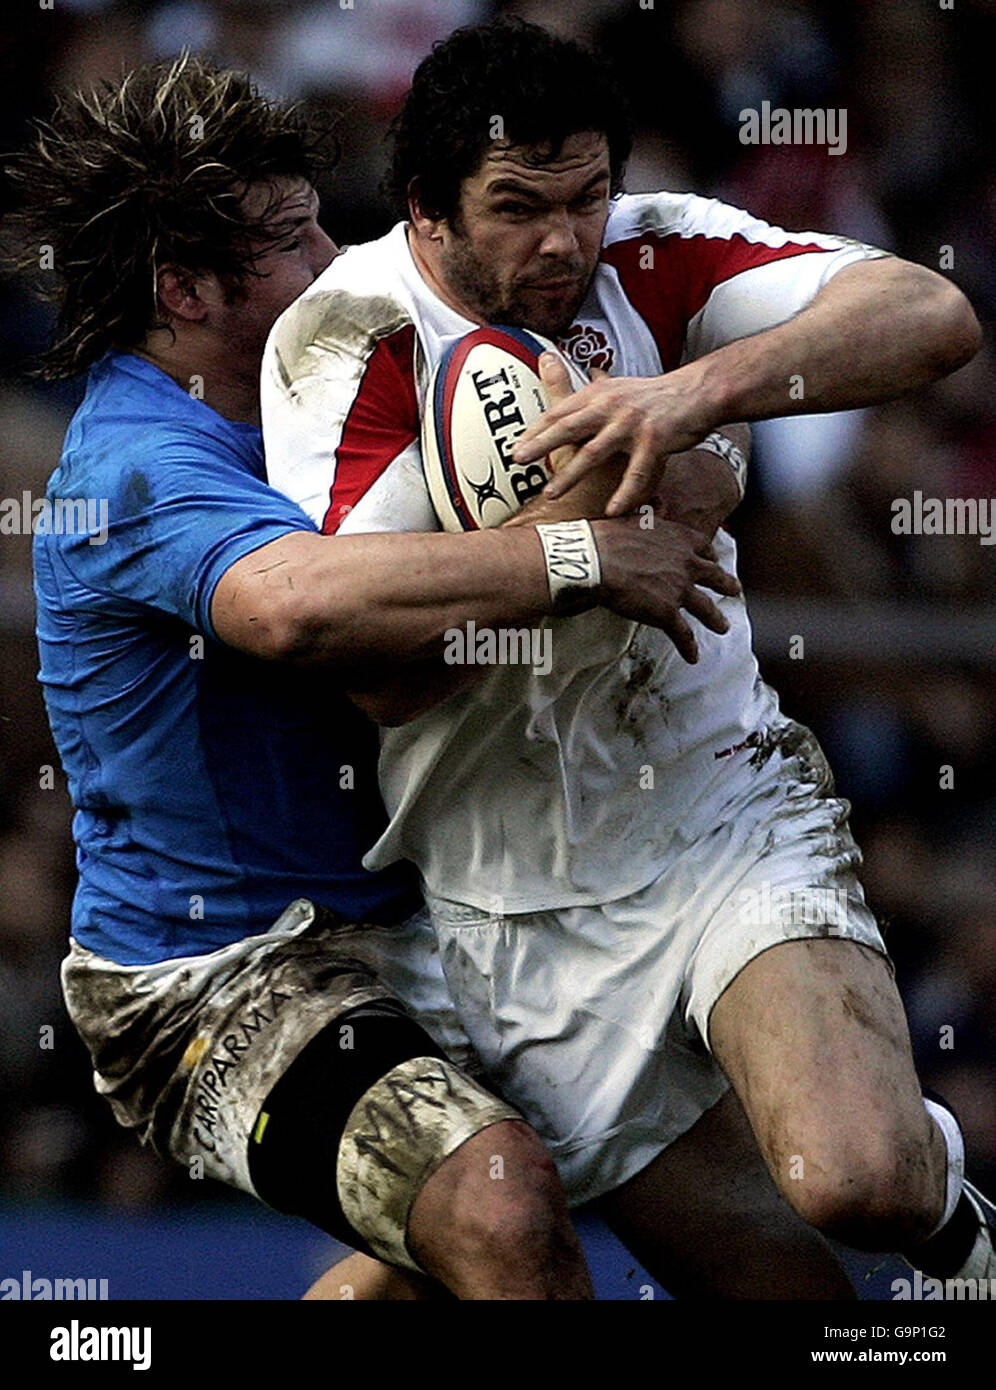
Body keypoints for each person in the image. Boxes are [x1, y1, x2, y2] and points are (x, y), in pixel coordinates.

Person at [262, 18, 994, 1296]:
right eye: (518, 209)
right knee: (786, 1298)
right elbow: (381, 673)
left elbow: (929, 311)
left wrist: (696, 395)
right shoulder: (344, 344)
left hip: (720, 805)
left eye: (586, 195)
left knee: (856, 1181)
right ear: (428, 208)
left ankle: (956, 1229)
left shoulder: (655, 250)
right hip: (505, 900)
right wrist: (587, 550)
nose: (565, 240)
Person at [14, 53, 751, 1301]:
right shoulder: (136, 460)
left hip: (434, 921)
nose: (338, 252)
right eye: (297, 237)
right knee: (500, 1209)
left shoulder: (355, 390)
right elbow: (292, 607)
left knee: (744, 1232)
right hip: (219, 977)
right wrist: (575, 553)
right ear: (187, 289)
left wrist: (688, 453)